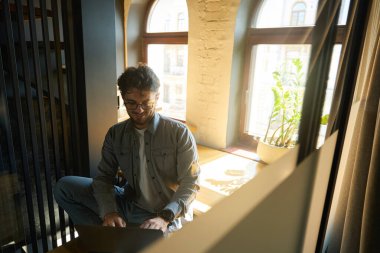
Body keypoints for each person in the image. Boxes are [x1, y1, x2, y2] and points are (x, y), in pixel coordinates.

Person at [54, 63, 200, 233]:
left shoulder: (178, 133)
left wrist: (165, 218)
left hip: (163, 215)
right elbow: (103, 178)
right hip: (129, 204)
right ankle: (106, 237)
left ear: (157, 97)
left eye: (146, 103)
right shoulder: (115, 134)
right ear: (122, 98)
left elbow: (191, 183)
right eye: (131, 103)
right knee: (64, 187)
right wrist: (109, 211)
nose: (139, 109)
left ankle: (119, 240)